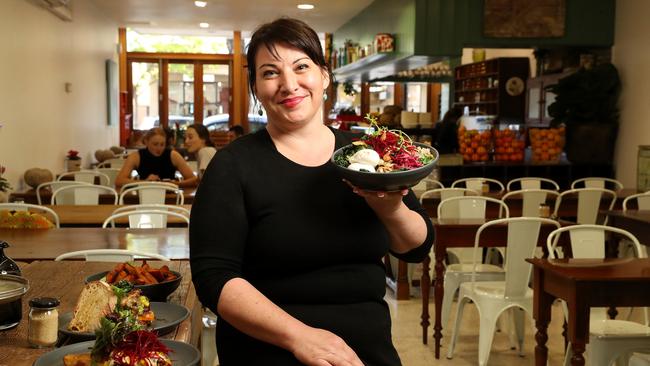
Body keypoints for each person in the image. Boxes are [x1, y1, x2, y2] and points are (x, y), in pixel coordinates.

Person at [189, 18, 433, 366]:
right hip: (266, 348)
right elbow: (214, 277)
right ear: (256, 88)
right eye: (270, 73)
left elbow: (417, 247)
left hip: (364, 351)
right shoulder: (232, 166)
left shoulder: (367, 153)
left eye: (301, 67)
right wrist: (300, 337)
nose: (289, 84)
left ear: (324, 76)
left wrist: (391, 206)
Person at [115, 127, 197, 188]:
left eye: (162, 144)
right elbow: (119, 181)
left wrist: (176, 184)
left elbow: (193, 179)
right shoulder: (136, 156)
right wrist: (145, 182)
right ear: (146, 142)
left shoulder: (173, 155)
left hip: (170, 195)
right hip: (144, 194)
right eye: (155, 144)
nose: (159, 148)